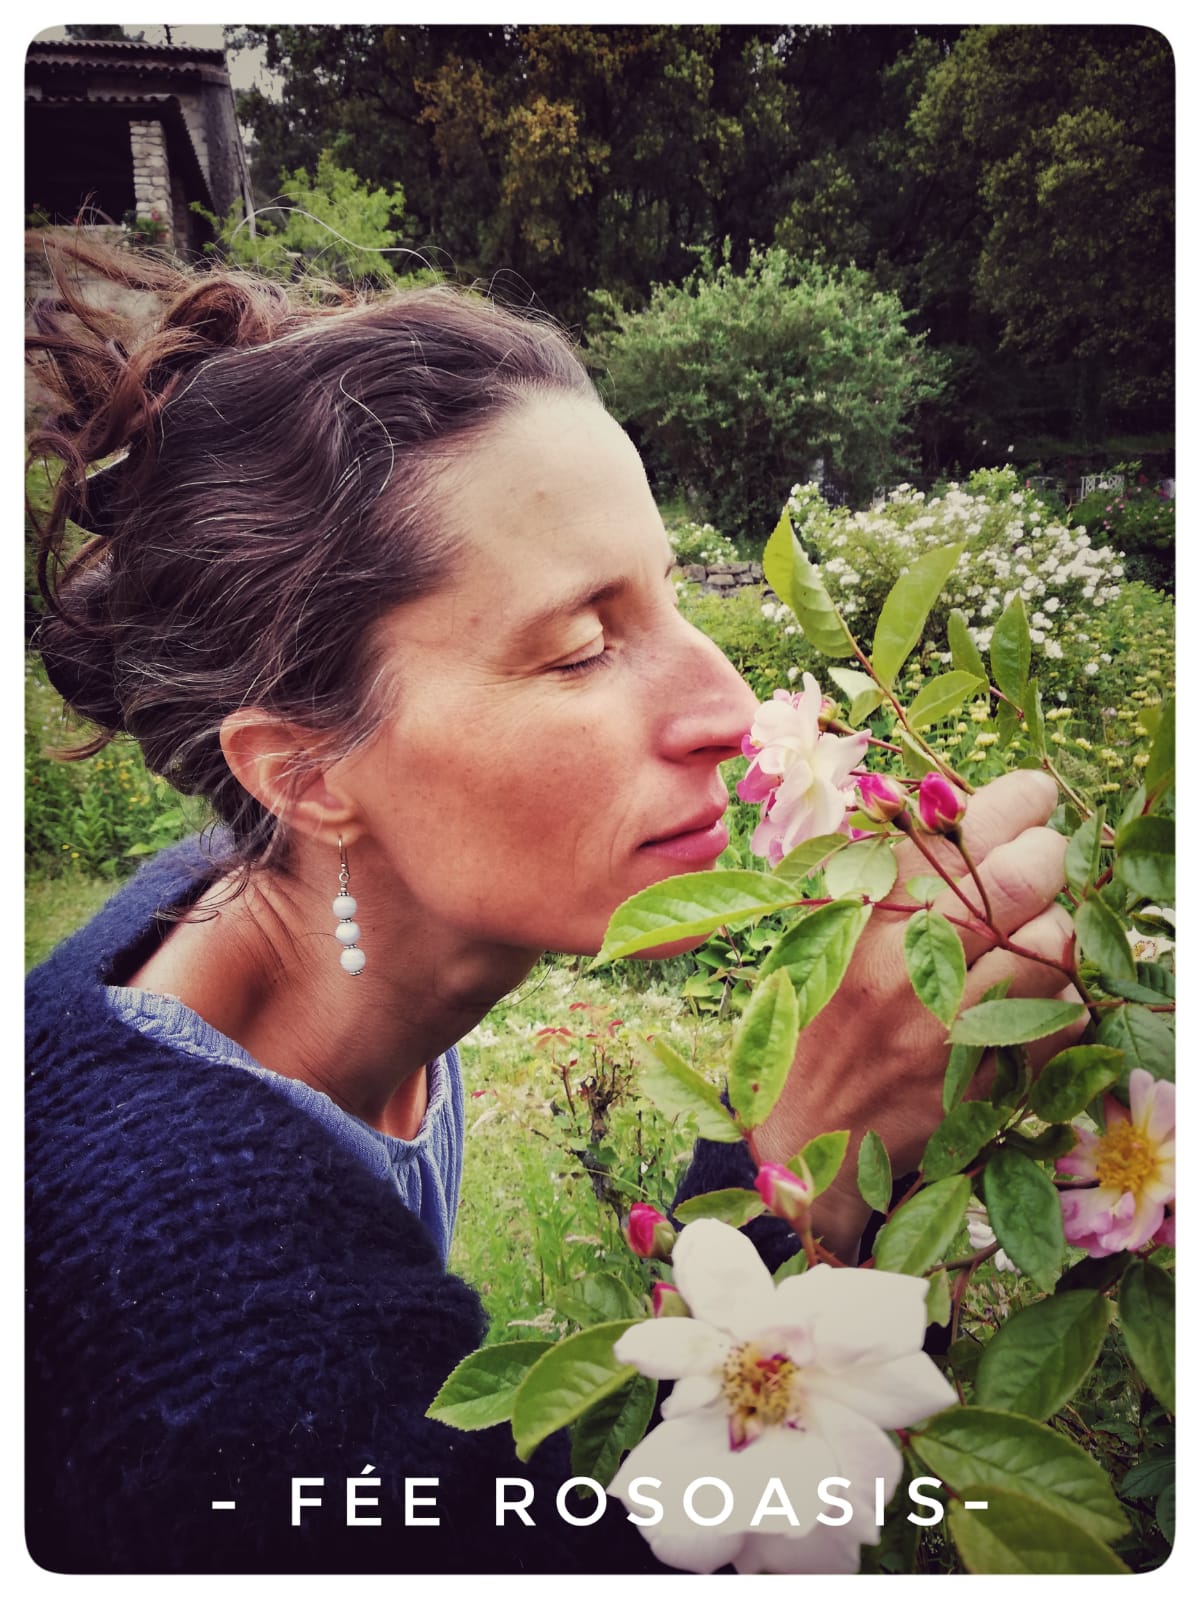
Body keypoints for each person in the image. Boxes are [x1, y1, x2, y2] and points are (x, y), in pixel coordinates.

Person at [25, 239, 1076, 1574]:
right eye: (582, 646)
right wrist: (811, 1160)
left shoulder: (240, 913)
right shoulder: (204, 1318)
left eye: (669, 597)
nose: (732, 713)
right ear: (306, 771)